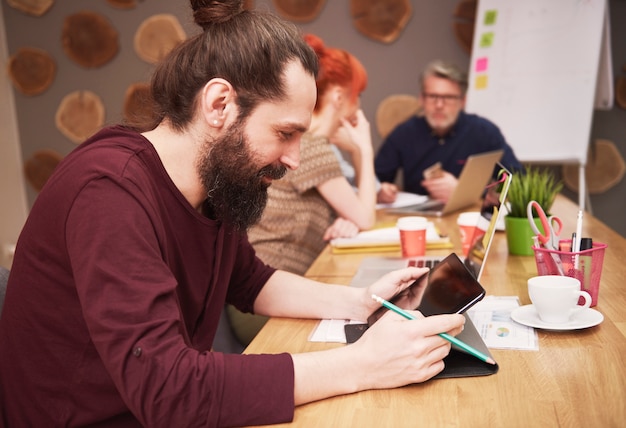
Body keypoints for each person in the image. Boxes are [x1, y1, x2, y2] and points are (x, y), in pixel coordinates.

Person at [0, 2, 465, 427]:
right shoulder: (108, 191)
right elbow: (169, 391)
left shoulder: (216, 187)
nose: (295, 159)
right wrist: (361, 365)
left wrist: (361, 302)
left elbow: (251, 280)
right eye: (285, 133)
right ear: (219, 105)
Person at [226, 33, 379, 345]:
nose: (358, 106)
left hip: (277, 293)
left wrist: (343, 217)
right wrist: (364, 149)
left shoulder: (309, 145)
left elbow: (356, 216)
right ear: (339, 96)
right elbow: (366, 218)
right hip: (263, 303)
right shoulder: (311, 146)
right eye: (357, 95)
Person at [374, 60, 522, 202]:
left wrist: (466, 191)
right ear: (422, 99)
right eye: (432, 96)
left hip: (468, 218)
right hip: (419, 219)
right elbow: (374, 180)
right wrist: (381, 190)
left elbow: (518, 182)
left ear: (462, 101)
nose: (439, 105)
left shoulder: (484, 132)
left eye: (448, 97)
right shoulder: (404, 133)